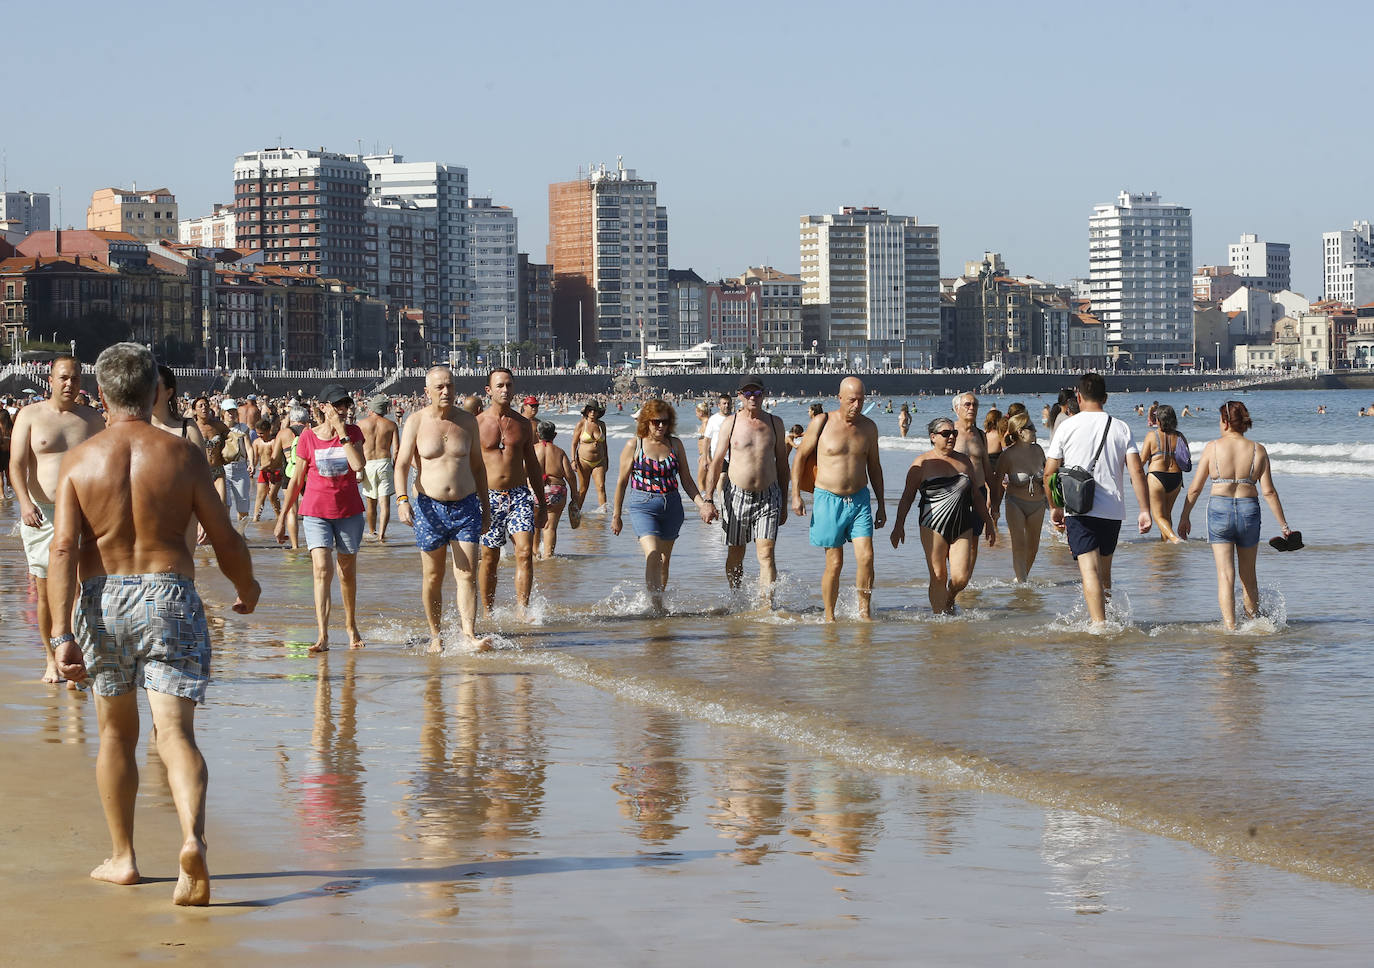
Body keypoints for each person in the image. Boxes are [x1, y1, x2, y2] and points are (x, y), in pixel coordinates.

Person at [46, 342, 259, 907]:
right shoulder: (182, 456)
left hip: (102, 598)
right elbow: (223, 535)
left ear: (103, 394)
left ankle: (124, 858)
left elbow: (64, 549)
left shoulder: (80, 460)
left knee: (117, 733)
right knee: (177, 734)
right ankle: (191, 838)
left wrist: (61, 634)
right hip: (169, 594)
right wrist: (247, 587)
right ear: (154, 391)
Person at [9, 356, 105, 683]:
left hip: (81, 512)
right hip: (41, 512)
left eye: (75, 379)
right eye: (63, 378)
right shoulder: (30, 415)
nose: (69, 384)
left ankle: (75, 653)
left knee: (80, 587)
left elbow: (105, 467)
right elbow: (16, 464)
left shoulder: (91, 420)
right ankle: (51, 659)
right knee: (46, 588)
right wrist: (23, 503)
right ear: (50, 379)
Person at [395, 366, 491, 652]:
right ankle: (436, 635)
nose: (446, 391)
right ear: (427, 391)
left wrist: (485, 509)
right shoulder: (415, 422)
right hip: (429, 508)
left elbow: (477, 466)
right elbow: (400, 464)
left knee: (467, 574)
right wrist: (402, 500)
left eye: (450, 386)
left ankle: (469, 635)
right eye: (439, 387)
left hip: (466, 506)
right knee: (433, 575)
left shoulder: (467, 422)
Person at [1043, 373, 1152, 625]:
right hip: (1113, 511)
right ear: (1105, 398)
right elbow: (1136, 470)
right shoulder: (1121, 427)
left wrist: (1054, 506)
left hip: (1078, 509)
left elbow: (1049, 471)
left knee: (1089, 572)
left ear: (1078, 397)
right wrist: (1144, 510)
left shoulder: (1066, 426)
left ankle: (1099, 626)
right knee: (1104, 572)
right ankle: (1107, 616)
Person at [1178, 401, 1294, 630]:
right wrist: (1284, 525)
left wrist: (1184, 517)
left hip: (1219, 509)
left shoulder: (1212, 448)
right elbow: (1268, 491)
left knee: (1225, 574)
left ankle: (1230, 627)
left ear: (1225, 421)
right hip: (1249, 509)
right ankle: (1254, 624)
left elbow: (1195, 488)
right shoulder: (1258, 449)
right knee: (1248, 575)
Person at [274, 384, 366, 652]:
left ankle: (350, 626)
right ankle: (323, 635)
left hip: (348, 511)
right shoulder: (306, 438)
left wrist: (342, 433)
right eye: (337, 405)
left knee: (346, 572)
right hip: (315, 512)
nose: (343, 410)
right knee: (321, 570)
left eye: (346, 405)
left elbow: (358, 465)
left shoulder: (353, 433)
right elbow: (296, 480)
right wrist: (281, 519)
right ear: (322, 407)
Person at [789, 377, 885, 622]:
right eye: (852, 400)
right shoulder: (822, 422)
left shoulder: (869, 427)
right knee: (835, 563)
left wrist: (882, 504)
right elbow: (800, 458)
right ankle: (829, 617)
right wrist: (796, 495)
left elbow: (874, 467)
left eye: (861, 400)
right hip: (828, 499)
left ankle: (864, 613)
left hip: (860, 499)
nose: (857, 405)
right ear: (840, 398)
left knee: (867, 557)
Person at [611, 398, 714, 612]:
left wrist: (703, 504)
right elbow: (621, 482)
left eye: (665, 422)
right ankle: (655, 606)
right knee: (654, 555)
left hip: (672, 507)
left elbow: (686, 480)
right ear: (646, 422)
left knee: (664, 561)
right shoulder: (635, 444)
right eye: (656, 421)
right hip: (643, 506)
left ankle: (659, 601)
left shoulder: (675, 444)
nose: (660, 426)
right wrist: (616, 515)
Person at [890, 417, 996, 613]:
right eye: (945, 434)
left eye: (953, 433)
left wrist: (988, 522)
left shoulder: (963, 461)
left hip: (963, 523)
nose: (951, 437)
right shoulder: (922, 463)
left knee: (961, 578)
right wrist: (899, 526)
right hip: (932, 525)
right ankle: (940, 622)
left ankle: (949, 598)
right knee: (938, 575)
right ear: (933, 437)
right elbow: (907, 498)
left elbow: (975, 495)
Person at [704, 375, 790, 605]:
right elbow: (717, 461)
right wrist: (708, 498)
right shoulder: (730, 423)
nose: (753, 398)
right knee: (735, 555)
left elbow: (782, 463)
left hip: (769, 497)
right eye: (748, 393)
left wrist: (786, 500)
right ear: (740, 395)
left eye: (757, 393)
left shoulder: (775, 423)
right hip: (736, 497)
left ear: (764, 395)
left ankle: (766, 606)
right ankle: (737, 598)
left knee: (766, 553)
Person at [476, 368, 548, 616]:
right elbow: (467, 464)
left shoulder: (523, 424)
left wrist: (543, 504)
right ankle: (488, 611)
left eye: (508, 385)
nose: (505, 390)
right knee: (489, 558)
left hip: (519, 495)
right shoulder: (477, 424)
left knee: (525, 552)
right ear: (489, 390)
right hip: (488, 497)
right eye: (499, 386)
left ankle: (522, 611)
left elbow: (533, 465)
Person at [996, 412, 1047, 582]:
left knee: (1033, 547)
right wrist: (994, 507)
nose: (1035, 430)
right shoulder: (1007, 456)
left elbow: (1047, 477)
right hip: (1015, 502)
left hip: (1038, 504)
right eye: (1031, 427)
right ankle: (1023, 586)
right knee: (1019, 546)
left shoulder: (1039, 450)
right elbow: (997, 482)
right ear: (1020, 431)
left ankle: (1021, 578)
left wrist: (1054, 503)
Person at [952, 392, 1000, 566]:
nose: (972, 408)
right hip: (955, 494)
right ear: (957, 409)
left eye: (975, 405)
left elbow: (987, 470)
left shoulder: (980, 435)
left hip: (978, 493)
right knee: (954, 540)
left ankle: (965, 585)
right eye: (967, 405)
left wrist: (994, 503)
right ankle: (954, 579)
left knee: (974, 542)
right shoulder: (949, 433)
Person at [1137, 403, 1188, 542]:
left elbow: (1142, 460)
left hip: (1157, 477)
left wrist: (1135, 476)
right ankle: (1165, 546)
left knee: (1158, 516)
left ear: (1158, 420)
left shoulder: (1151, 435)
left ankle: (1174, 539)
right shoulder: (1180, 436)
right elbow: (1185, 457)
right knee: (1167, 515)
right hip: (1176, 478)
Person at [534, 419, 580, 560]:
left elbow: (522, 471)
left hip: (534, 490)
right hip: (556, 491)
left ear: (537, 434)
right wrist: (574, 495)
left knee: (534, 525)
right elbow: (570, 476)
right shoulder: (559, 452)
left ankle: (534, 554)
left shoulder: (532, 449)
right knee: (550, 527)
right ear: (554, 435)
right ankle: (548, 557)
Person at [358, 394, 399, 541]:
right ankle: (382, 535)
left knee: (370, 502)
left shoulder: (361, 424)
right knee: (385, 502)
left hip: (367, 463)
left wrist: (357, 469)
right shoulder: (391, 425)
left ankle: (372, 531)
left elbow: (356, 447)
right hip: (384, 462)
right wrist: (395, 467)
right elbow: (396, 450)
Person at [273, 403, 309, 550]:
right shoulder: (310, 431)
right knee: (310, 511)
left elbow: (274, 457)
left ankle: (295, 546)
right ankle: (313, 543)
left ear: (291, 419)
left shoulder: (283, 433)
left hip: (290, 473)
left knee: (291, 511)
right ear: (306, 418)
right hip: (308, 472)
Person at [218, 399, 254, 522]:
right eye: (228, 411)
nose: (231, 414)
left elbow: (248, 447)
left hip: (240, 468)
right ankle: (227, 534)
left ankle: (241, 534)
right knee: (225, 504)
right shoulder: (218, 428)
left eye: (233, 411)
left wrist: (252, 463)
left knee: (243, 505)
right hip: (224, 469)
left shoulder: (243, 428)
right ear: (223, 412)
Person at [192, 396, 230, 505]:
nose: (204, 408)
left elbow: (232, 438)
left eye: (206, 405)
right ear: (195, 410)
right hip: (201, 472)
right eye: (201, 406)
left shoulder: (218, 425)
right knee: (202, 508)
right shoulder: (193, 428)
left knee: (221, 505)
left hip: (218, 470)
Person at [572, 400, 609, 507]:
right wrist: (573, 460)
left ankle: (603, 515)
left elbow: (605, 443)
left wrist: (607, 459)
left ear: (598, 413)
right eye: (590, 410)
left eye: (595, 410)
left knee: (601, 487)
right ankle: (576, 512)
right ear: (587, 412)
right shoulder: (581, 424)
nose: (593, 412)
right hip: (583, 461)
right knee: (583, 489)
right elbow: (574, 443)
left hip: (599, 461)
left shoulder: (602, 425)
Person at [251, 415, 285, 522]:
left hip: (276, 471)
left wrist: (265, 466)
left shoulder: (274, 442)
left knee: (272, 495)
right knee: (260, 496)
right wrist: (252, 466)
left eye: (261, 433)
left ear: (268, 431)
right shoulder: (256, 442)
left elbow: (275, 459)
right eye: (257, 433)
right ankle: (256, 518)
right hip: (263, 472)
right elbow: (256, 457)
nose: (259, 435)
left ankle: (279, 516)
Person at [693, 401, 712, 490]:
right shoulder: (707, 422)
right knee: (705, 481)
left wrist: (705, 457)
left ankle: (704, 501)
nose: (696, 414)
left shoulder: (706, 423)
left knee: (701, 481)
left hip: (705, 455)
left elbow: (707, 441)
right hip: (704, 454)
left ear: (701, 412)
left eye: (696, 412)